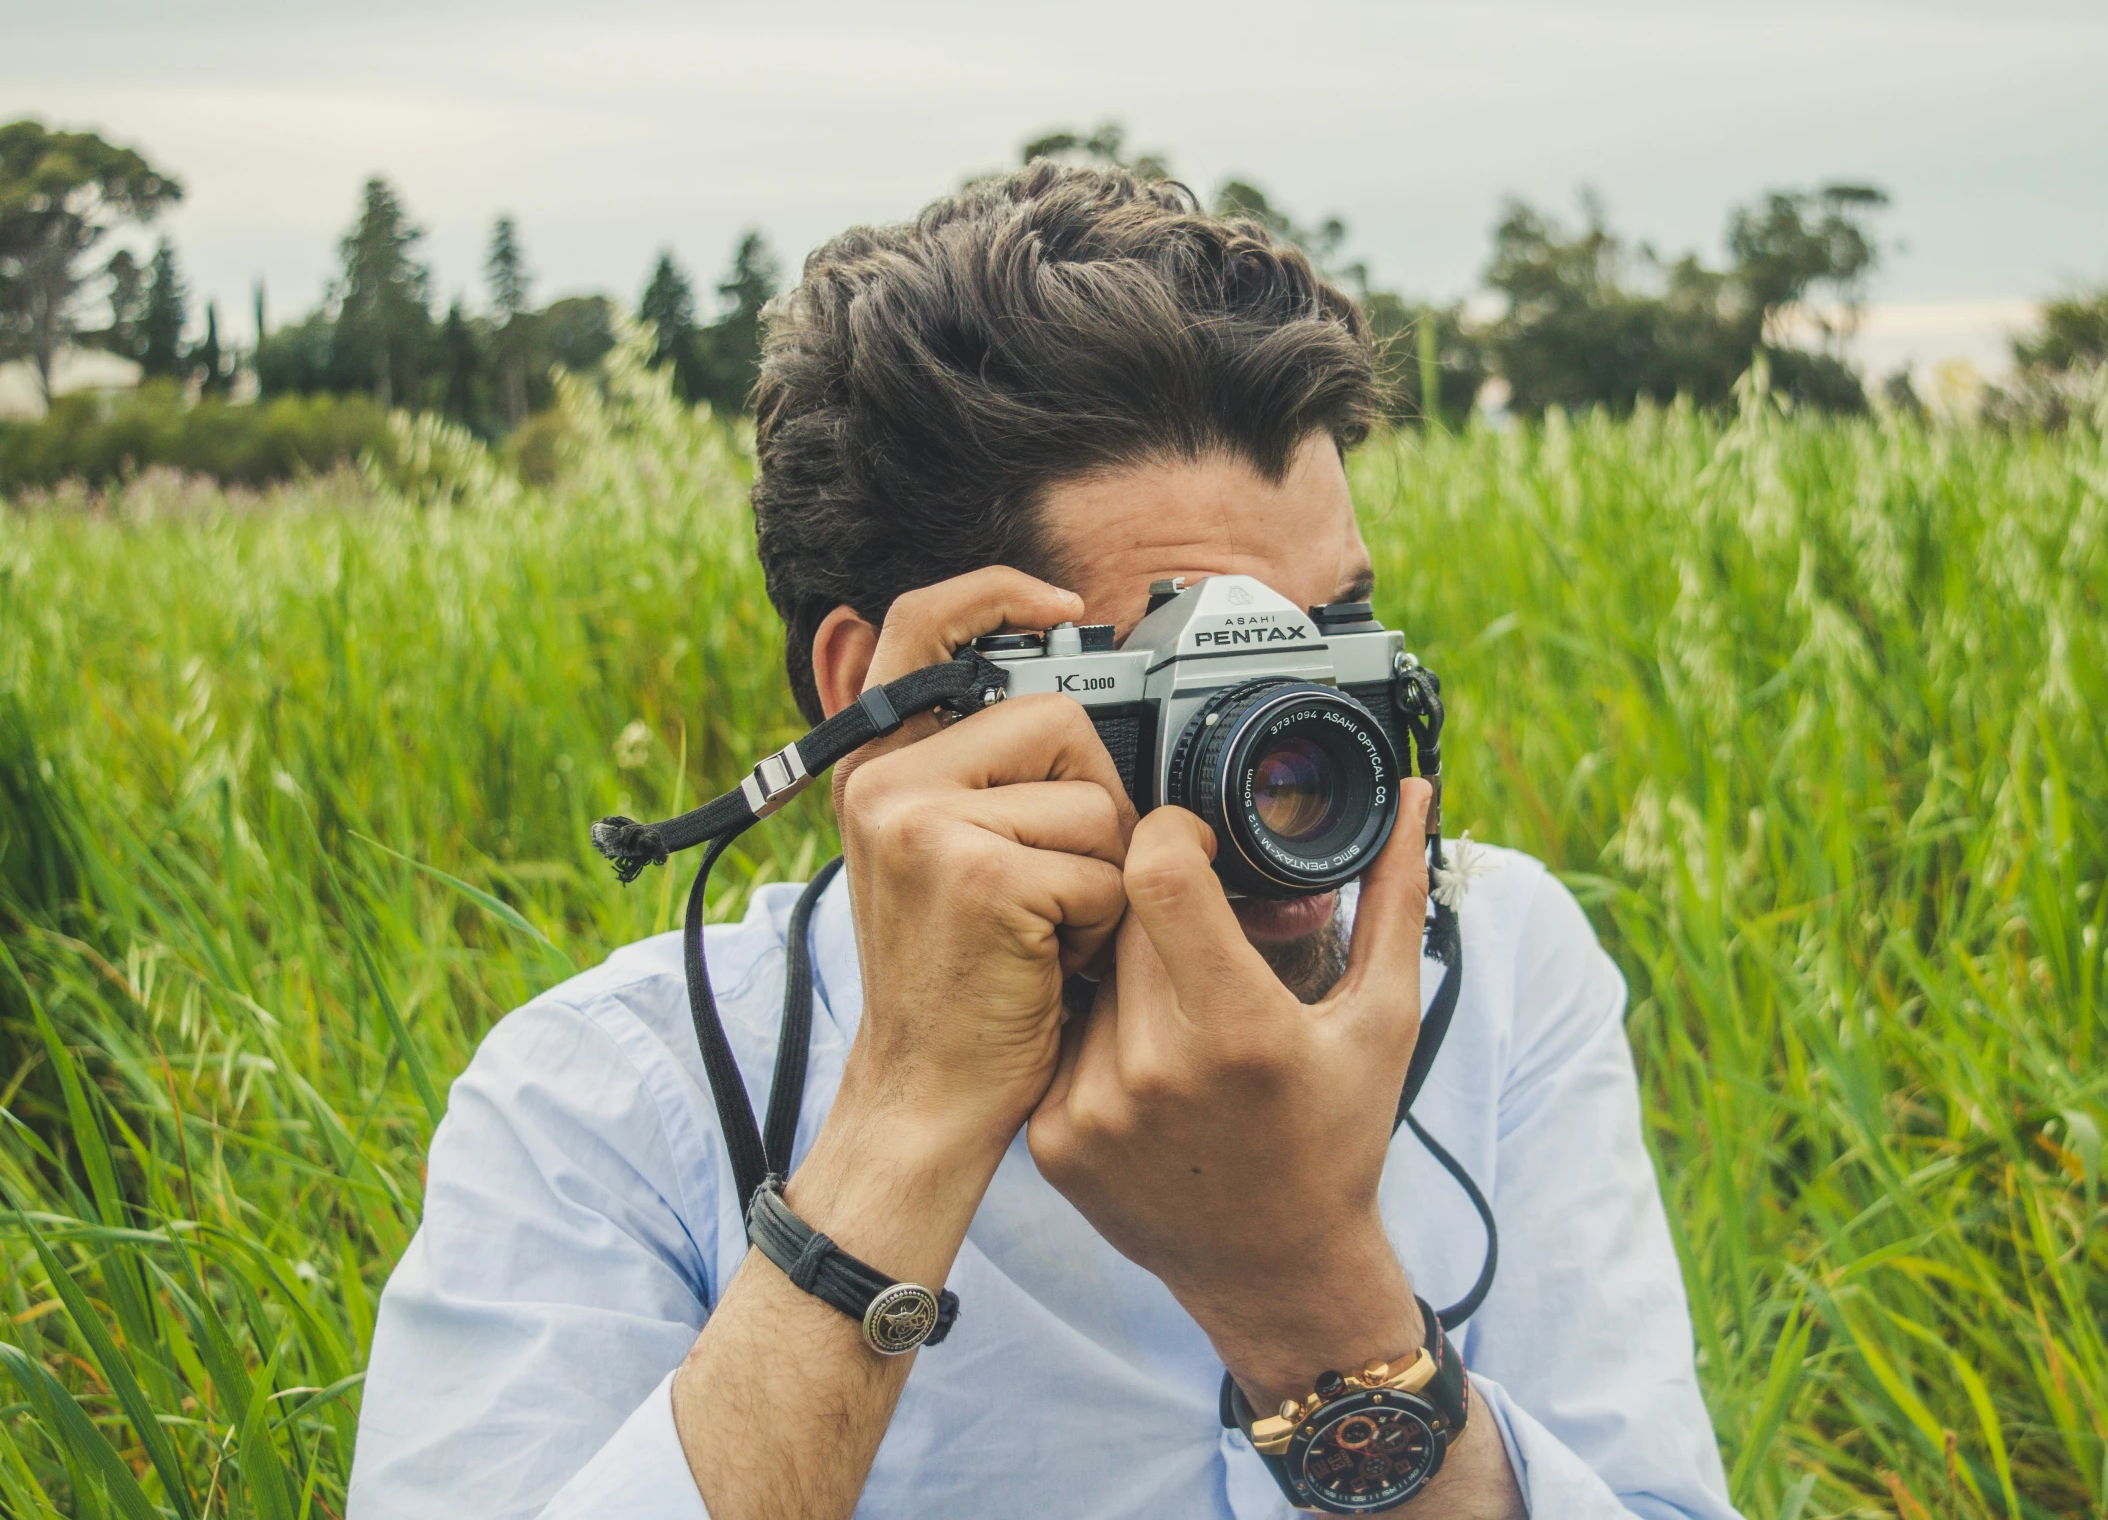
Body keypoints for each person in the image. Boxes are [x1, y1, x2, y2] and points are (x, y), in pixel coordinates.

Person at [348, 163, 1736, 1520]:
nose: (1292, 758)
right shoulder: (604, 1101)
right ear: (880, 702)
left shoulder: (1492, 955)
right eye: (1173, 672)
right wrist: (905, 1127)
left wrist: (1305, 1287)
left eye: (1325, 640)